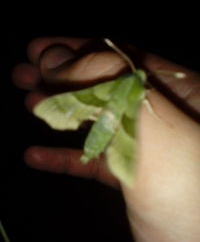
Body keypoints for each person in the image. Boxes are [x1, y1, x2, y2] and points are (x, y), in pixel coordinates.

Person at [12, 37, 200, 241]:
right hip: (111, 123)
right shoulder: (141, 92)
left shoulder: (122, 79)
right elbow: (147, 104)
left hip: (101, 115)